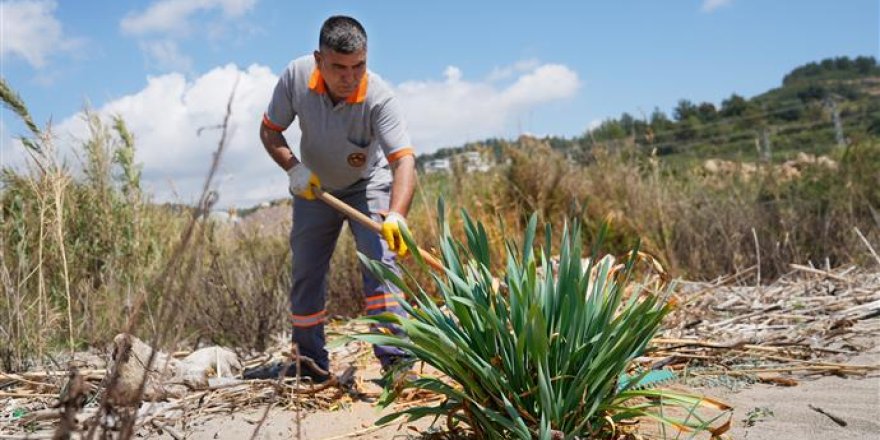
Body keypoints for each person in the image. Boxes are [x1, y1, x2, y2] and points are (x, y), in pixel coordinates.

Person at [253, 15, 416, 382]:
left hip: (367, 185)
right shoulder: (295, 77)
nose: (350, 76)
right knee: (306, 274)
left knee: (381, 268)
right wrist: (294, 168)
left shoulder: (379, 97)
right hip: (315, 190)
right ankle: (310, 364)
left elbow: (403, 160)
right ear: (318, 60)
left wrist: (397, 215)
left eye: (359, 65)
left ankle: (397, 364)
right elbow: (270, 130)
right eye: (339, 67)